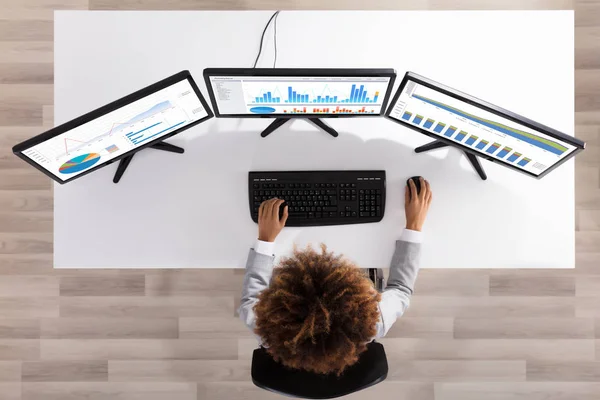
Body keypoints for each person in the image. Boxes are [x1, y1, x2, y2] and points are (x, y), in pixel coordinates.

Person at [239, 177, 432, 376]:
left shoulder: (267, 326)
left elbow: (249, 299)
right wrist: (414, 225)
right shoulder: (375, 321)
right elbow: (401, 289)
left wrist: (265, 238)